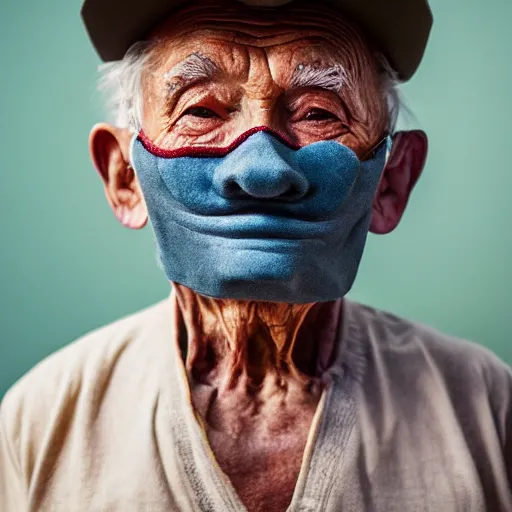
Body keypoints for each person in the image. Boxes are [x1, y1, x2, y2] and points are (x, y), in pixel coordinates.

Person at [1, 0, 511, 510]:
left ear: (389, 182)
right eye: (200, 110)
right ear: (124, 178)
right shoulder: (42, 419)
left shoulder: (486, 406)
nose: (261, 169)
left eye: (317, 113)